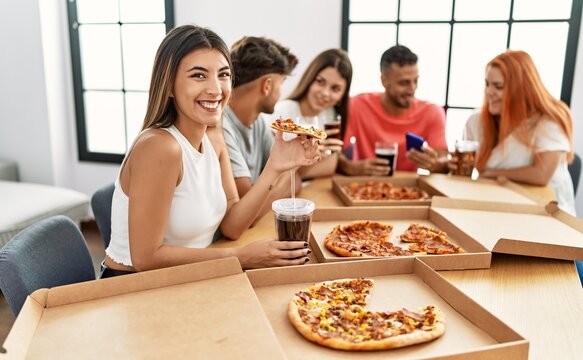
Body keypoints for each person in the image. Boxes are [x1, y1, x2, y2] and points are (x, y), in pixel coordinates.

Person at [101, 25, 321, 277]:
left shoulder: (213, 138)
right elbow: (146, 258)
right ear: (169, 85)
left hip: (188, 277)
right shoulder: (159, 146)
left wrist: (275, 165)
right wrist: (240, 257)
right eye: (199, 75)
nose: (216, 89)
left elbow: (233, 225)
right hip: (132, 286)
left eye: (223, 75)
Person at [449, 50, 576, 215]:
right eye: (487, 84)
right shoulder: (476, 122)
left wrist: (493, 174)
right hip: (496, 207)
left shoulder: (548, 122)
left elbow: (541, 175)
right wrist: (448, 165)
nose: (489, 92)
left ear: (522, 89)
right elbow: (467, 169)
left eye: (498, 86)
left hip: (546, 212)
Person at [222, 36, 301, 221]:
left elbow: (294, 183)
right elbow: (248, 213)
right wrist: (287, 177)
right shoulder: (221, 128)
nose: (280, 92)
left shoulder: (257, 122)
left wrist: (285, 178)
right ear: (267, 85)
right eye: (281, 83)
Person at [338, 45, 447, 176]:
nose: (412, 89)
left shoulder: (432, 112)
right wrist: (350, 167)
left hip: (407, 189)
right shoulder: (357, 105)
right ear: (384, 80)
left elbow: (444, 159)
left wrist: (435, 164)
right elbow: (333, 152)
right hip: (363, 185)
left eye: (415, 81)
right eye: (404, 83)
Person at [269, 48, 351, 179]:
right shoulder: (282, 113)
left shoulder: (330, 116)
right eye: (320, 82)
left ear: (342, 95)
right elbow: (277, 172)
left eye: (335, 89)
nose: (325, 93)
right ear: (309, 79)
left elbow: (329, 167)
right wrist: (311, 159)